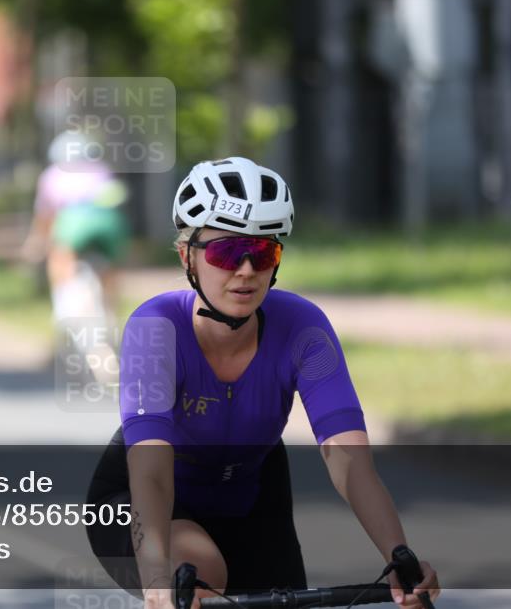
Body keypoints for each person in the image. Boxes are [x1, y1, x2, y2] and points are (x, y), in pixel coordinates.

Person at [85, 157, 440, 608]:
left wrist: (400, 557)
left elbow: (349, 461)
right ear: (186, 256)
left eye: (263, 253)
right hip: (144, 502)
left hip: (252, 498)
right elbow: (152, 474)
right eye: (226, 253)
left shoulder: (303, 328)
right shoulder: (155, 328)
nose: (247, 270)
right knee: (198, 574)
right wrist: (156, 577)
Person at [22, 130, 129, 324]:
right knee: (110, 267)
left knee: (59, 257)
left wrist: (38, 242)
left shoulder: (52, 175)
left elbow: (44, 216)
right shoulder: (101, 169)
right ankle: (111, 309)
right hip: (108, 222)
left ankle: (63, 308)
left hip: (75, 223)